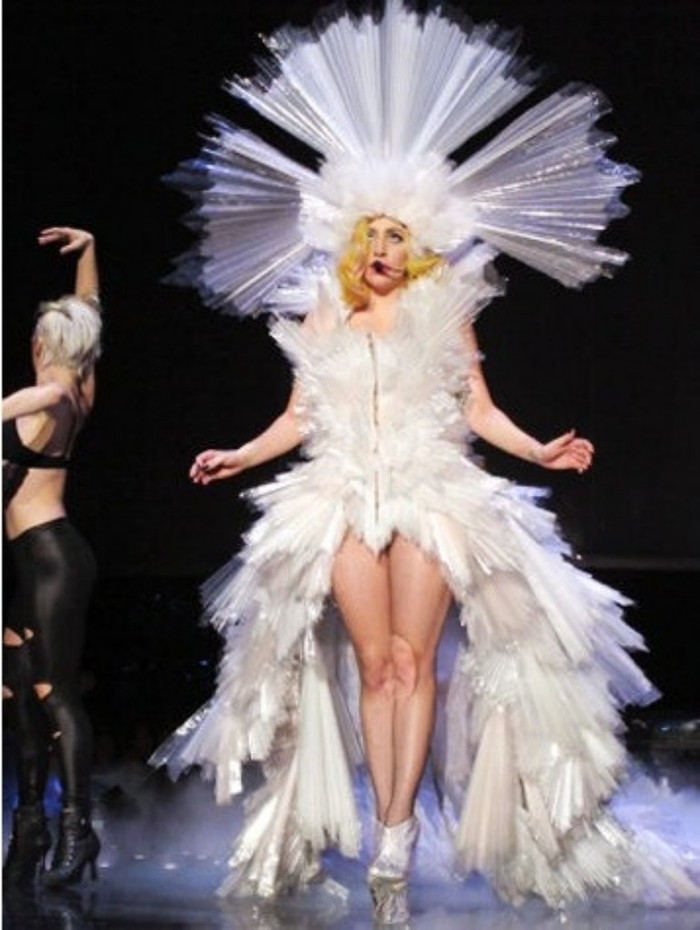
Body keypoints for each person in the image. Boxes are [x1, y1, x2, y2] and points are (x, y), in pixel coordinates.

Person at [151, 2, 699, 921]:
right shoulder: (325, 313)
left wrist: (541, 449)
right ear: (353, 241)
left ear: (418, 248)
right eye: (372, 234)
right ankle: (385, 822)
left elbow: (478, 410)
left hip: (430, 493)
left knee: (415, 662)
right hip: (339, 496)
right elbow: (297, 416)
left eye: (397, 236)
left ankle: (397, 837)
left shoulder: (447, 314)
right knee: (377, 666)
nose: (382, 249)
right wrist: (238, 454)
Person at [3, 226, 102, 889]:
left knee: (53, 693)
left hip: (51, 562)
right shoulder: (82, 384)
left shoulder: (55, 395)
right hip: (30, 564)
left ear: (43, 345)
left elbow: (43, 397)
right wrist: (88, 253)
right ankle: (30, 826)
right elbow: (92, 312)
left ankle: (77, 827)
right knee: (15, 691)